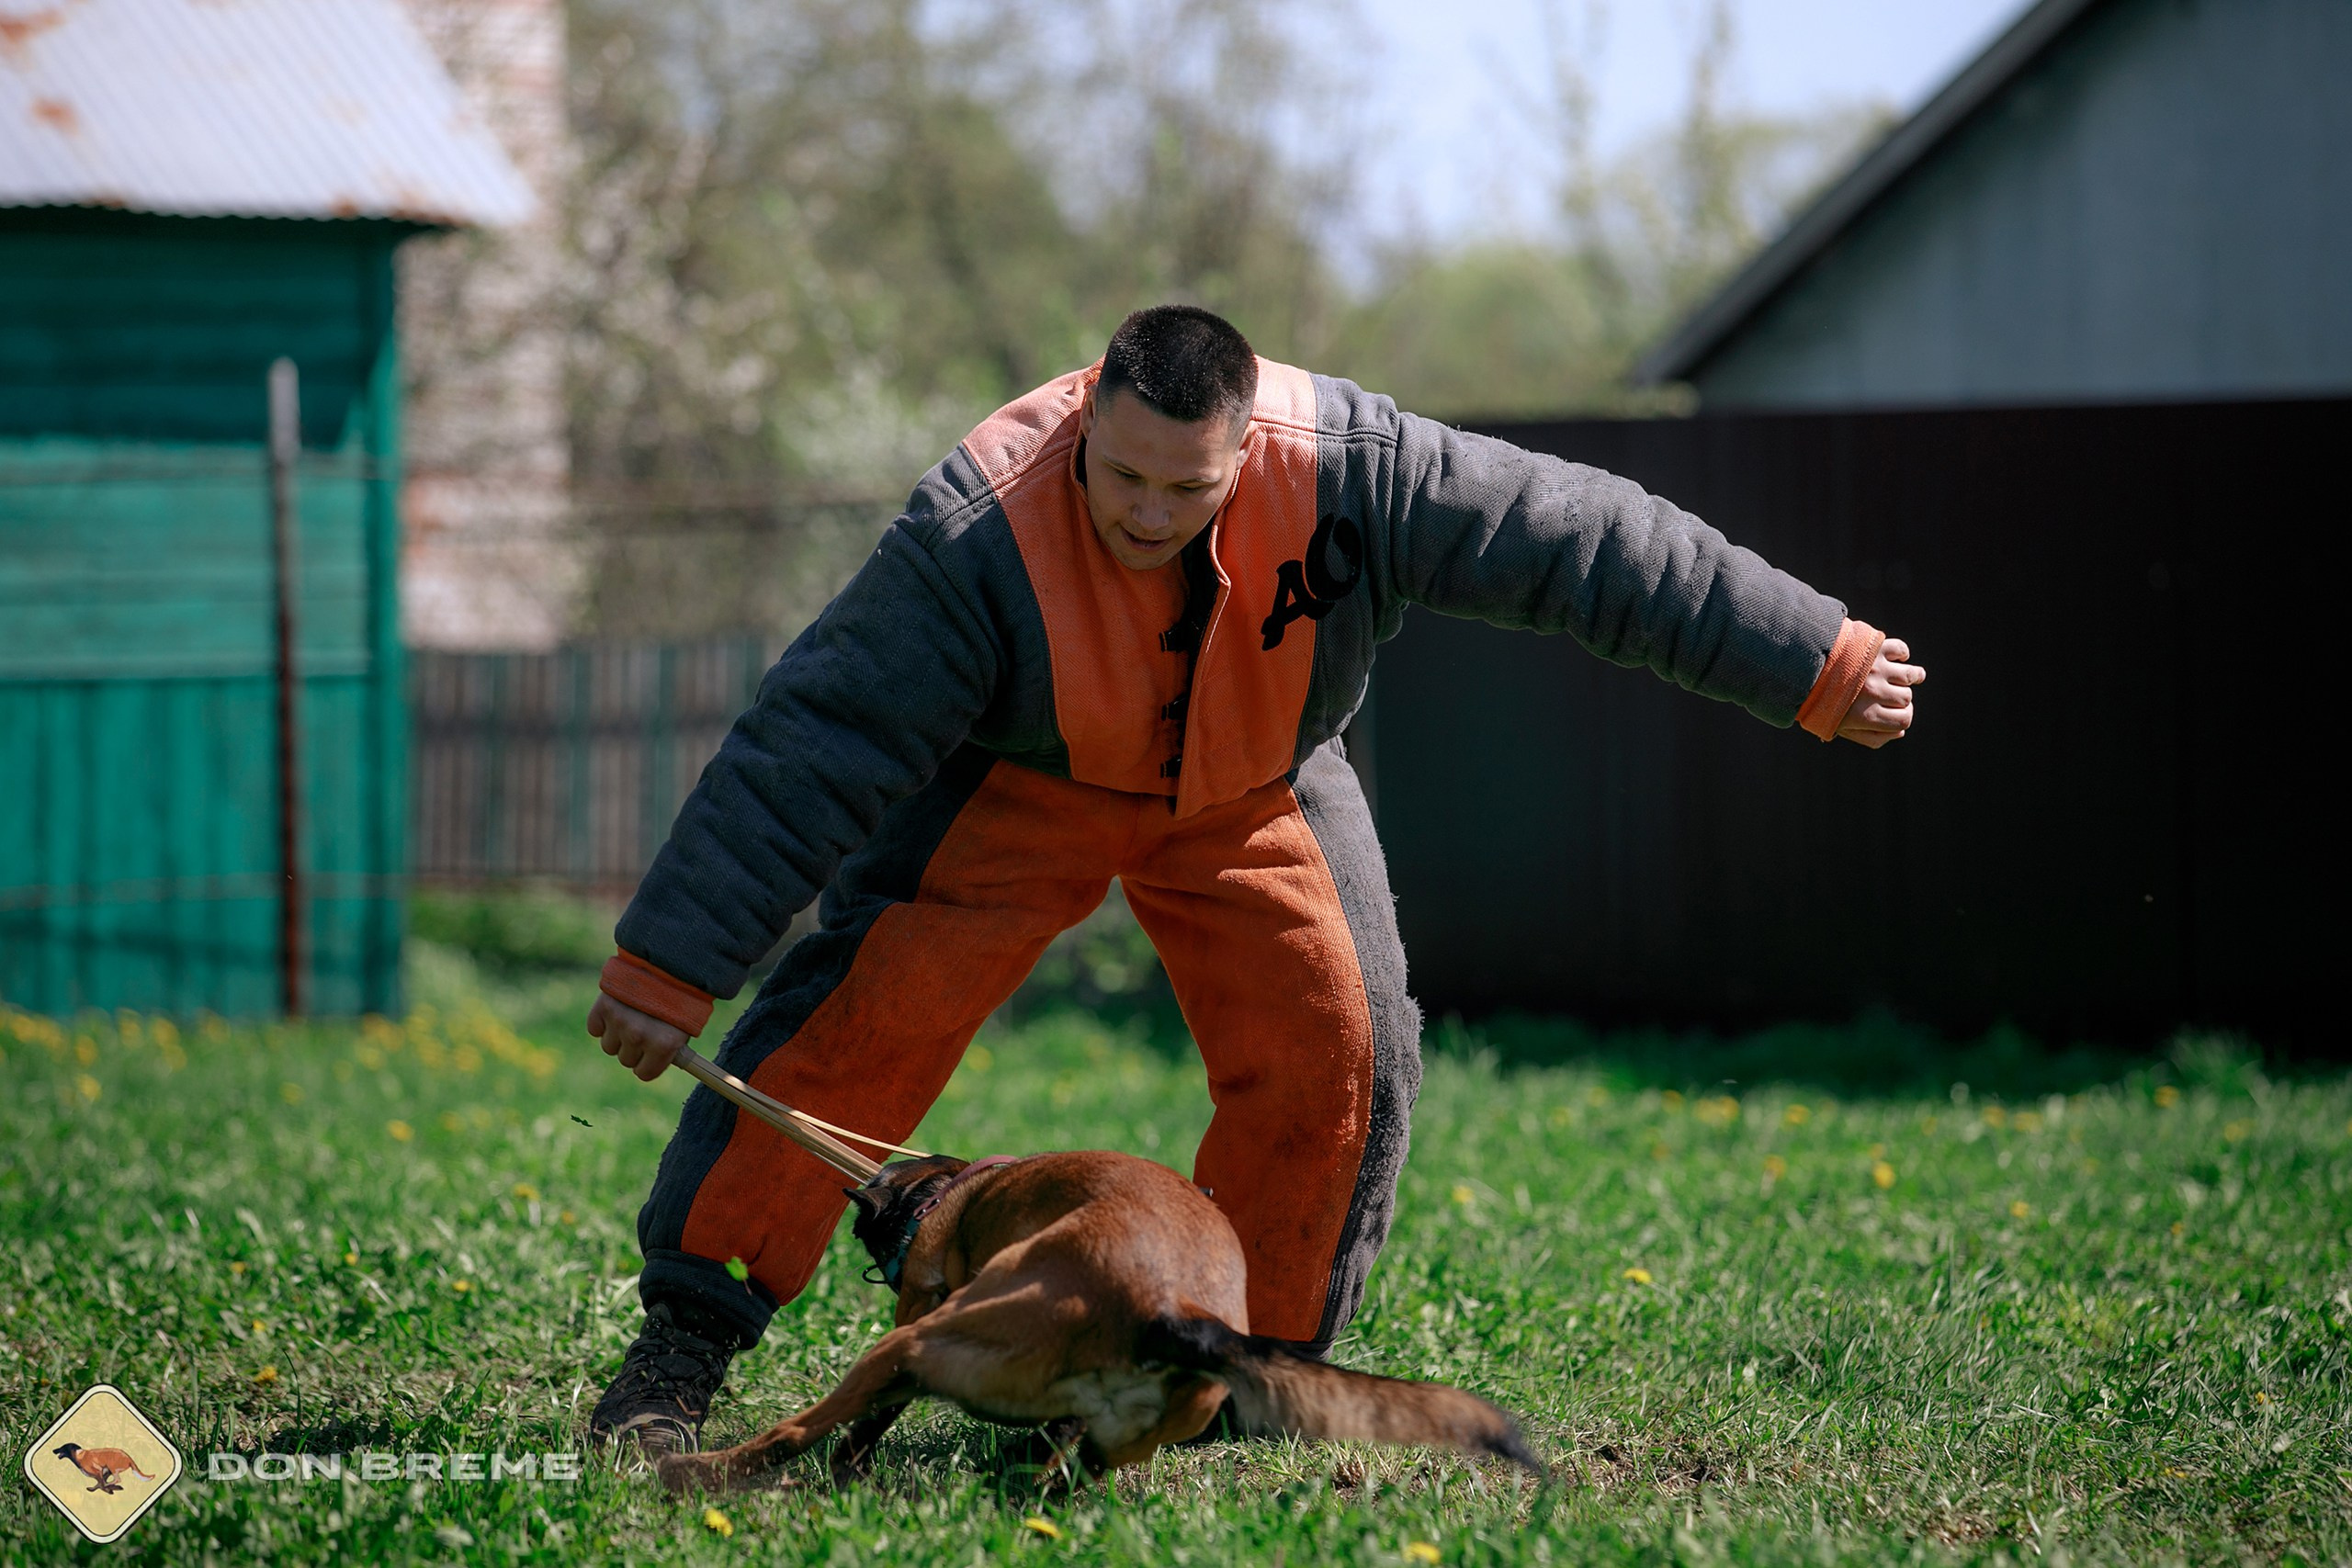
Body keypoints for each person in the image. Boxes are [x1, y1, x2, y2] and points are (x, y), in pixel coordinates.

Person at [583, 305, 1925, 1453]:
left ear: (1248, 447)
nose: (1146, 514)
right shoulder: (974, 530)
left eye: (1189, 489)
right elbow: (810, 744)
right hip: (1022, 780)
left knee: (1345, 1047)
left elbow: (1590, 542)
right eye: (1121, 477)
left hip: (1254, 780)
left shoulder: (1365, 472)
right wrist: (669, 964)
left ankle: (1234, 1385)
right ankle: (678, 1357)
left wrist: (1813, 657)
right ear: (1084, 420)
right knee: (855, 1024)